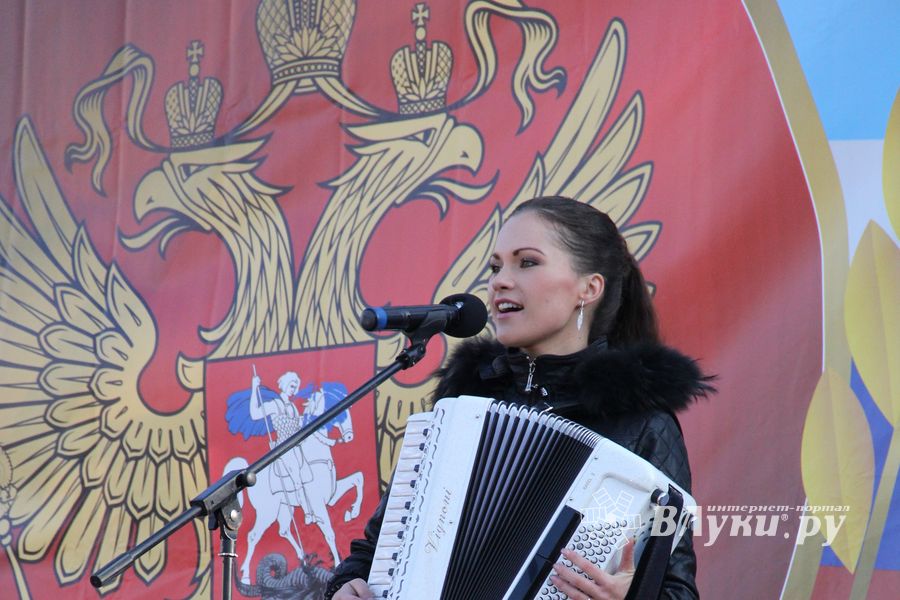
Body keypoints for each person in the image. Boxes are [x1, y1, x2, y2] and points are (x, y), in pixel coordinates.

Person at [325, 196, 714, 599]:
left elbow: (678, 589)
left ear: (589, 287)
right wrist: (344, 586)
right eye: (495, 267)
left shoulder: (643, 424)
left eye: (526, 262)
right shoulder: (463, 409)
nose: (499, 281)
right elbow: (375, 552)